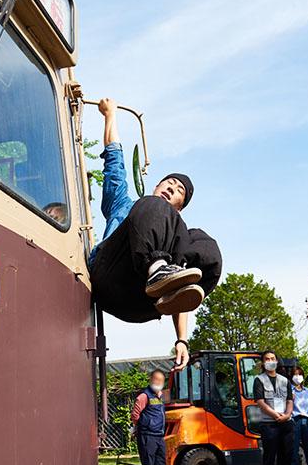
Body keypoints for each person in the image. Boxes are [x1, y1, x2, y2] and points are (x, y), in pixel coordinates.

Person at [88, 98, 222, 370]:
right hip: (110, 276)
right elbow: (115, 165)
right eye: (169, 184)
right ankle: (157, 268)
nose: (172, 189)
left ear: (179, 208)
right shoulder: (128, 204)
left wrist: (182, 340)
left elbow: (183, 285)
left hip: (144, 302)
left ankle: (161, 274)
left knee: (207, 245)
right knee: (150, 207)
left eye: (178, 193)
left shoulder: (177, 233)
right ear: (157, 184)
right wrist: (110, 115)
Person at [254, 350, 295, 465]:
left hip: (286, 422)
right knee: (269, 459)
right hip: (269, 424)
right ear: (263, 362)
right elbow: (260, 402)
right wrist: (276, 415)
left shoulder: (285, 380)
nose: (270, 361)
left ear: (277, 361)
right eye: (267, 359)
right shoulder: (259, 380)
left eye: (273, 358)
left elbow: (289, 400)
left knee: (288, 458)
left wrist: (287, 415)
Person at [131, 370, 168, 465]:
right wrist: (144, 426)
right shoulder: (143, 396)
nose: (159, 382)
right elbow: (135, 415)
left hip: (159, 436)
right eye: (156, 379)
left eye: (161, 380)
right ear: (151, 379)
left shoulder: (160, 396)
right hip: (147, 437)